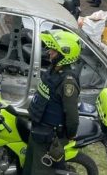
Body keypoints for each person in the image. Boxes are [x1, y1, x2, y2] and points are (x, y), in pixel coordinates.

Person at [22, 30, 81, 175]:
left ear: (64, 54)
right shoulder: (53, 71)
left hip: (48, 137)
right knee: (28, 169)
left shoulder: (68, 82)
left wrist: (70, 135)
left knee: (40, 172)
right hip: (37, 131)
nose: (49, 52)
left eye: (54, 50)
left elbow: (72, 116)